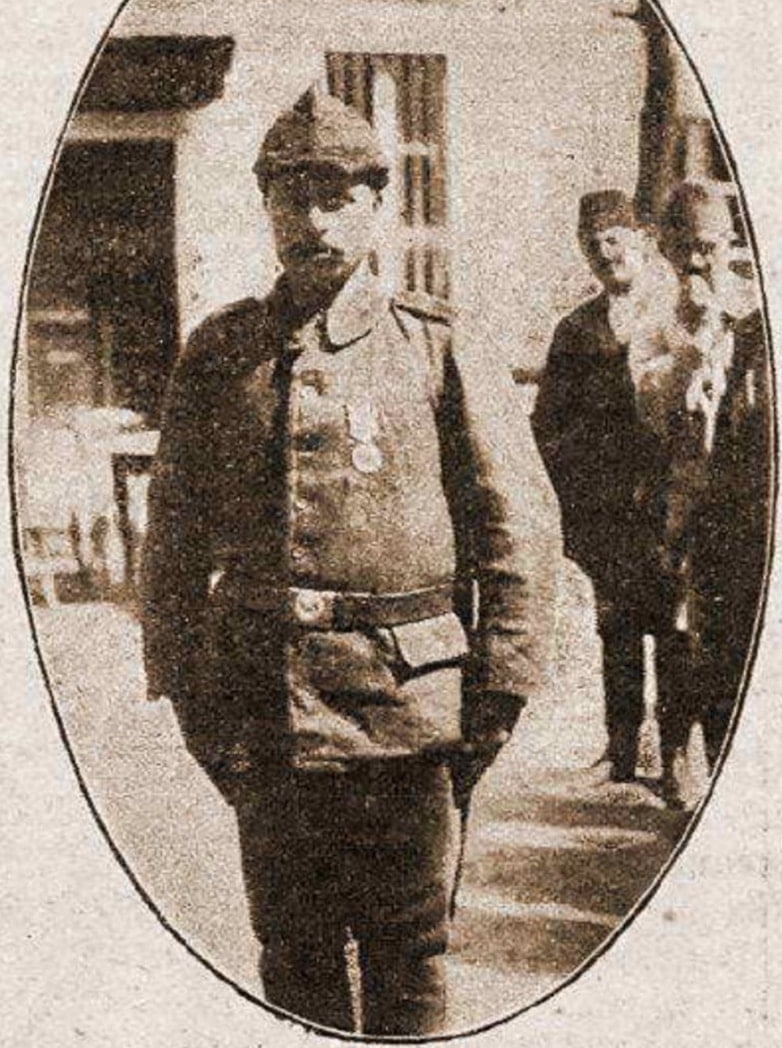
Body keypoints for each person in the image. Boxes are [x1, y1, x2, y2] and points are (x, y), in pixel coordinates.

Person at [138, 85, 554, 1036]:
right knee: (292, 956)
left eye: (336, 198)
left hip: (406, 714)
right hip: (264, 709)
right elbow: (172, 537)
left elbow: (516, 527)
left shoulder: (434, 346)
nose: (314, 222)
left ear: (375, 207)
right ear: (266, 207)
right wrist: (187, 685)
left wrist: (498, 692)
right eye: (293, 199)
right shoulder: (221, 353)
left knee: (410, 955)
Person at [532, 189, 690, 796]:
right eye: (593, 245)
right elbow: (547, 424)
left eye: (614, 240)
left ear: (641, 239)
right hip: (607, 508)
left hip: (670, 502)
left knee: (675, 630)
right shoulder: (576, 330)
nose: (605, 253)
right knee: (617, 628)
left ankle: (675, 757)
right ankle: (620, 753)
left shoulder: (676, 312)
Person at [657, 180, 771, 769]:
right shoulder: (657, 319)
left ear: (728, 242)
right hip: (682, 502)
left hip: (746, 503)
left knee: (743, 637)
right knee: (686, 637)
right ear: (664, 249)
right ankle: (682, 758)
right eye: (683, 249)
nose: (697, 262)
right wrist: (693, 344)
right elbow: (651, 404)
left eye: (707, 247)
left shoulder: (759, 314)